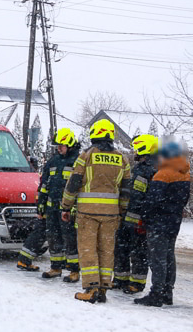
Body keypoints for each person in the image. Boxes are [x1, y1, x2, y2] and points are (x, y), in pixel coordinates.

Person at [60, 119, 131, 303]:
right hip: (111, 215)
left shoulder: (86, 155)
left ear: (94, 135)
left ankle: (91, 289)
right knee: (107, 250)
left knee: (88, 249)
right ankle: (103, 290)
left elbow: (73, 182)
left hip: (88, 213)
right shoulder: (122, 158)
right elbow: (126, 189)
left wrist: (65, 206)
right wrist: (121, 210)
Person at [17, 128, 81, 282]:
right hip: (52, 208)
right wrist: (41, 203)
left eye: (62, 145)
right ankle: (56, 267)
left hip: (68, 209)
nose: (59, 148)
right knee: (53, 238)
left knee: (70, 239)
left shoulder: (78, 162)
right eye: (57, 146)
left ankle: (74, 271)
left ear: (70, 145)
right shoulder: (53, 161)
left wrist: (74, 207)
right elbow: (44, 184)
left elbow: (79, 187)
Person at [134, 140, 191, 307]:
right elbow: (183, 200)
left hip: (158, 222)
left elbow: (152, 200)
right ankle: (167, 292)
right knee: (168, 256)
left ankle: (156, 293)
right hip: (174, 221)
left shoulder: (163, 174)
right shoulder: (184, 173)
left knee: (157, 258)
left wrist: (144, 216)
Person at [112, 134, 159, 294]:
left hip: (140, 219)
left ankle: (137, 283)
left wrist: (144, 219)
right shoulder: (139, 167)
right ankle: (120, 278)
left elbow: (151, 198)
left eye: (138, 148)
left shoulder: (153, 170)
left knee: (139, 251)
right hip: (127, 216)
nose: (135, 151)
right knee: (121, 247)